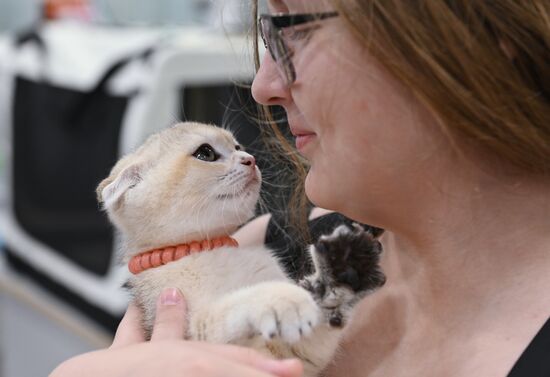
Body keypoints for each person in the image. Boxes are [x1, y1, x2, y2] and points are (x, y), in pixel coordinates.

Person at [51, 0, 550, 376]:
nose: (262, 85)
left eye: (295, 28)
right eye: (266, 38)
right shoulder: (282, 239)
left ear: (472, 33)